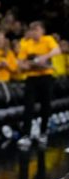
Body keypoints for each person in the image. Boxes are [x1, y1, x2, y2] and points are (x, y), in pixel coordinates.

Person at [16, 21, 61, 149]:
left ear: (42, 30)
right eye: (33, 29)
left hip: (46, 77)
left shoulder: (48, 40)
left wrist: (43, 58)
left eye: (37, 29)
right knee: (28, 106)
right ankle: (26, 135)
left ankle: (43, 132)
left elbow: (57, 50)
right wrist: (31, 64)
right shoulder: (26, 44)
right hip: (31, 77)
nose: (34, 32)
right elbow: (20, 62)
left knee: (46, 105)